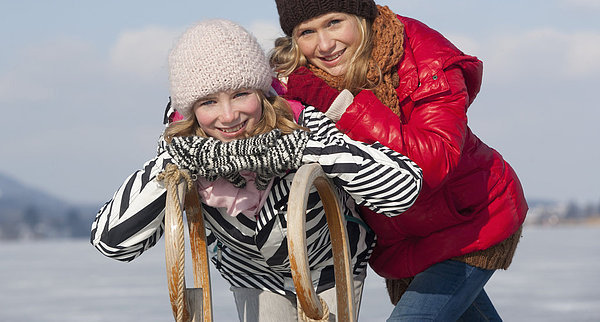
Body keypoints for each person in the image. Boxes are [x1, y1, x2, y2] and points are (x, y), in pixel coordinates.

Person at [270, 0, 528, 321]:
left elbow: (433, 161)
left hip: (472, 222)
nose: (323, 45)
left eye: (334, 22)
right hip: (405, 242)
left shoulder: (424, 58)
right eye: (307, 31)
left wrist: (342, 105)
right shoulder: (300, 84)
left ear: (362, 14)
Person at [91, 19, 423, 321]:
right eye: (208, 102)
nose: (228, 116)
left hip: (328, 265)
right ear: (191, 109)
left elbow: (403, 188)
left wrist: (300, 150)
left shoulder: (300, 124)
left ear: (262, 93)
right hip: (251, 275)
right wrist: (174, 167)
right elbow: (112, 242)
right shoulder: (184, 150)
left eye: (240, 94)